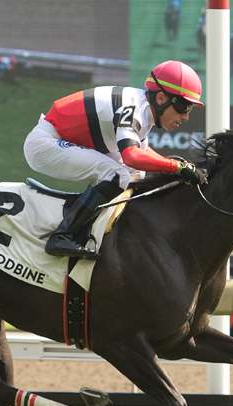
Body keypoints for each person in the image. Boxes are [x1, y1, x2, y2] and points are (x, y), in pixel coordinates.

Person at [23, 60, 207, 259]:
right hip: (45, 143)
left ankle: (114, 233)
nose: (186, 117)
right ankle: (63, 235)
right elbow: (132, 156)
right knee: (116, 174)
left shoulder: (144, 109)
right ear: (161, 98)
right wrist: (176, 167)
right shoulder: (134, 108)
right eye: (184, 107)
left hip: (59, 139)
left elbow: (143, 153)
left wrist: (181, 167)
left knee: (136, 175)